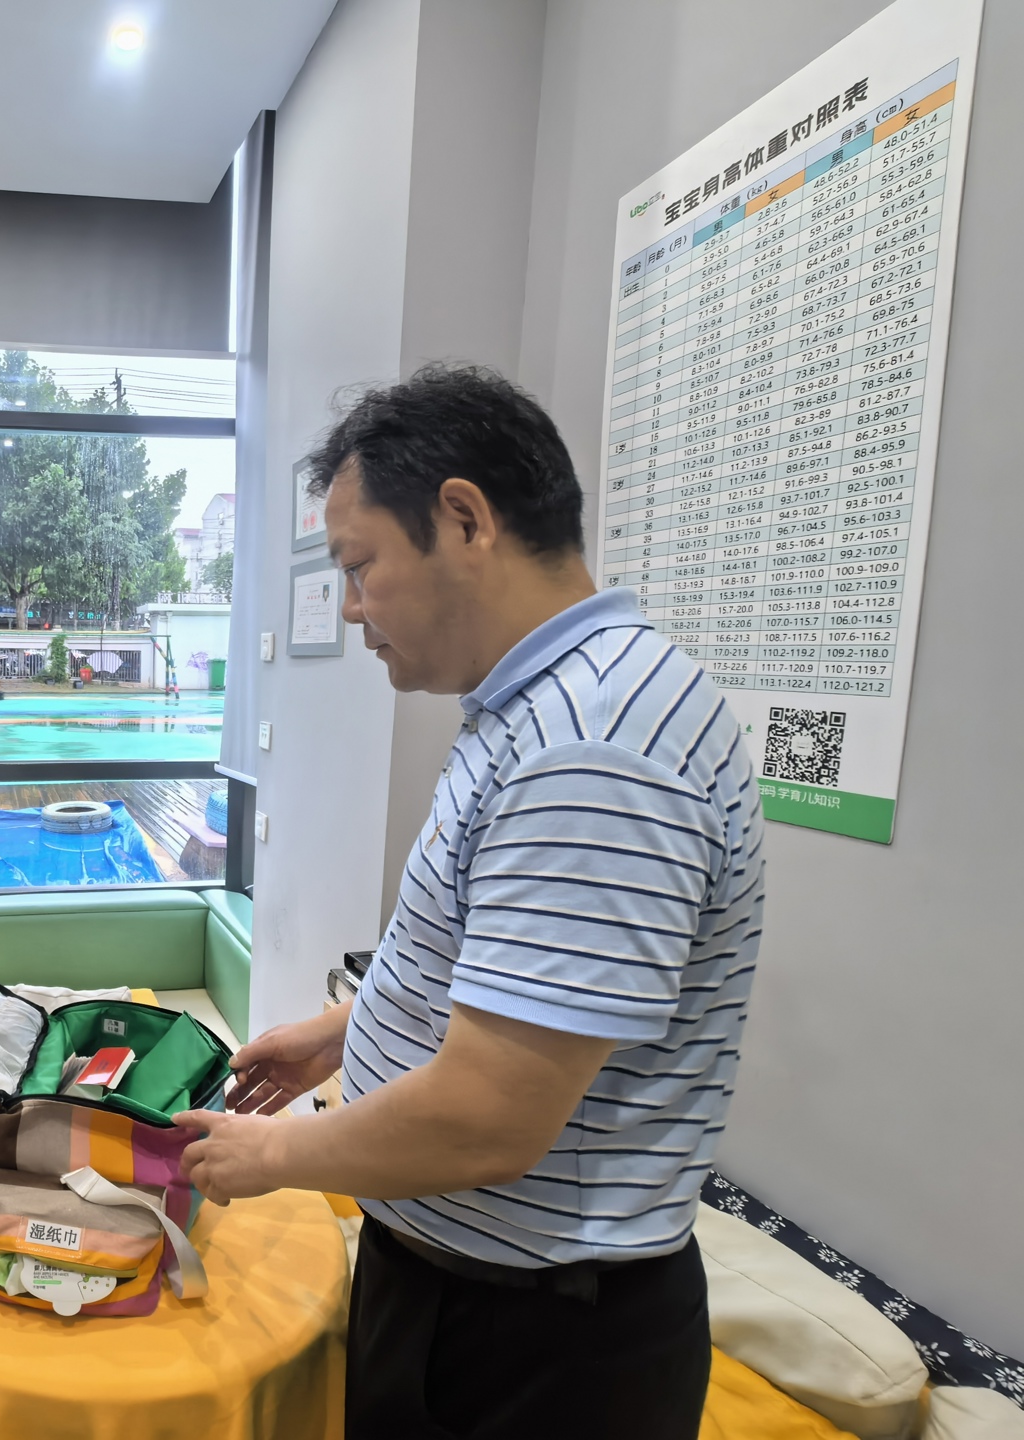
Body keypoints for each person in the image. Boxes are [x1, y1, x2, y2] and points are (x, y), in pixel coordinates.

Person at [176, 365, 763, 1440]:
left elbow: (491, 1115)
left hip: (537, 1340)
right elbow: (507, 971)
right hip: (466, 1283)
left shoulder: (593, 746)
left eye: (360, 566)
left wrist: (272, 1157)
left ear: (463, 520)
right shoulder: (539, 710)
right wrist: (344, 1033)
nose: (350, 607)